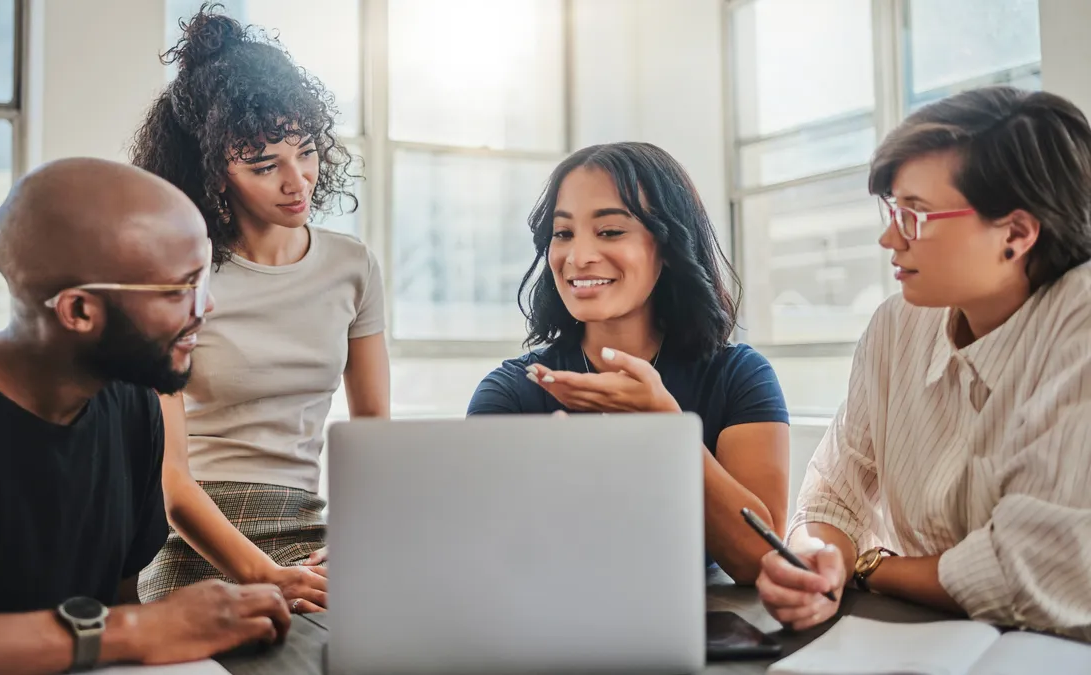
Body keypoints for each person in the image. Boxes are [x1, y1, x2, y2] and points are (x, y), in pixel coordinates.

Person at [0, 158, 292, 673]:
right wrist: (130, 631)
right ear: (78, 311)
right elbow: (122, 627)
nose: (205, 306)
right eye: (179, 290)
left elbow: (120, 609)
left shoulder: (133, 405)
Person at [755, 86, 1091, 641]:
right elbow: (833, 495)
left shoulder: (1077, 323)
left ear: (1016, 233)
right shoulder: (897, 324)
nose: (890, 237)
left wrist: (866, 568)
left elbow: (1026, 570)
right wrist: (820, 561)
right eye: (893, 209)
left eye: (915, 215)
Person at [130, 4, 389, 610]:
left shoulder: (352, 266)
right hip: (195, 541)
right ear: (214, 172)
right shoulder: (178, 277)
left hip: (311, 531)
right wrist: (265, 574)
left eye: (305, 151)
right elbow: (173, 485)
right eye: (264, 165)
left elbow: (373, 427)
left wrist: (363, 535)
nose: (297, 181)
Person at [467, 142, 791, 584]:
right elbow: (485, 555)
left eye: (610, 232)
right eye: (563, 234)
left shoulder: (739, 376)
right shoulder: (512, 390)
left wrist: (667, 428)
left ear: (668, 245)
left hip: (698, 631)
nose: (578, 257)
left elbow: (763, 561)